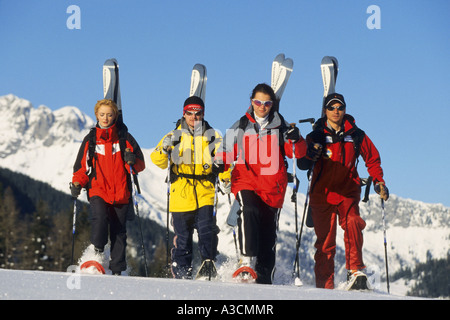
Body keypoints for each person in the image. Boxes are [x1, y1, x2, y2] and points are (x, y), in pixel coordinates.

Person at [215, 83, 307, 284]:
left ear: (271, 104)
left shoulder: (282, 127)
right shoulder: (241, 125)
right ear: (251, 102)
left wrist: (297, 139)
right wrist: (219, 164)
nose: (261, 106)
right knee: (248, 210)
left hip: (272, 187)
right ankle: (246, 261)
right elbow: (225, 149)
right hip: (245, 181)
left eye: (266, 103)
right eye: (258, 102)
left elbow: (298, 154)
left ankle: (265, 280)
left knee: (268, 237)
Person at [298, 92, 389, 290]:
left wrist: (379, 181)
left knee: (354, 222)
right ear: (325, 111)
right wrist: (310, 153)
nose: (336, 111)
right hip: (322, 193)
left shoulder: (356, 134)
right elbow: (303, 162)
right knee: (325, 243)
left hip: (348, 191)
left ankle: (355, 271)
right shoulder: (316, 135)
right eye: (332, 108)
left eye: (340, 107)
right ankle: (325, 288)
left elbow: (372, 158)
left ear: (345, 110)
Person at [150, 96, 229, 279]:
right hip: (181, 192)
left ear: (203, 114)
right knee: (183, 238)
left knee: (207, 231)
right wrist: (164, 149)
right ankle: (181, 272)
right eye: (190, 113)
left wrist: (225, 178)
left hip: (205, 190)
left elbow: (225, 160)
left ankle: (208, 265)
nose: (194, 117)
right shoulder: (172, 135)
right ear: (183, 114)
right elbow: (158, 161)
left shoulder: (213, 136)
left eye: (198, 113)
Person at [71, 99, 145, 275]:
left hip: (121, 191)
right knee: (100, 219)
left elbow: (140, 166)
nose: (105, 118)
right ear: (96, 115)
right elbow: (82, 167)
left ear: (115, 116)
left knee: (119, 233)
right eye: (102, 114)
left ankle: (118, 270)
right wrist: (77, 183)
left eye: (109, 114)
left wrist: (131, 161)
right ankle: (96, 254)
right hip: (98, 189)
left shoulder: (124, 138)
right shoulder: (91, 140)